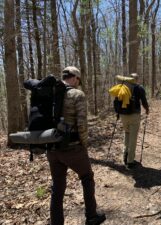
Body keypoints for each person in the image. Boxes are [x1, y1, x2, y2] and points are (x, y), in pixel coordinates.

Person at [46, 66, 106, 225]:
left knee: (57, 187)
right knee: (87, 177)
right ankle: (92, 216)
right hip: (72, 148)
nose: (79, 83)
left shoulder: (50, 93)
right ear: (74, 78)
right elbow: (82, 125)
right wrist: (84, 144)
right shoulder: (77, 94)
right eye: (79, 80)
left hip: (51, 148)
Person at [119, 73, 149, 169]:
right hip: (134, 115)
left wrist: (118, 114)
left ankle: (125, 155)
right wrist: (147, 109)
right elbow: (144, 101)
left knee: (127, 134)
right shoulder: (139, 88)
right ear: (137, 79)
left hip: (123, 115)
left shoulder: (123, 87)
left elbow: (117, 101)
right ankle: (130, 161)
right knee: (133, 138)